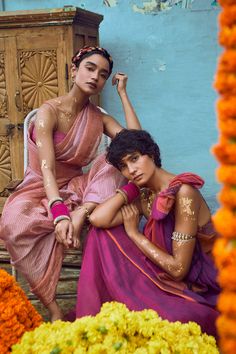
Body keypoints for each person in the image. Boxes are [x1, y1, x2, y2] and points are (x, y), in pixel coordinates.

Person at [0, 46, 141, 321]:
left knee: (113, 161)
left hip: (79, 189)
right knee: (13, 222)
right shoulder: (48, 112)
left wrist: (124, 94)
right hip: (39, 186)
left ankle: (83, 211)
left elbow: (137, 146)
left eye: (102, 74)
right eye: (89, 68)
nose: (95, 77)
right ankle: (54, 310)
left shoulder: (98, 118)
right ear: (74, 70)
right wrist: (58, 212)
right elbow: (47, 169)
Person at [76, 129, 220, 337]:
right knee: (102, 235)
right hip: (164, 274)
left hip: (202, 284)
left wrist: (135, 235)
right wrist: (131, 189)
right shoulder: (146, 197)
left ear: (151, 155)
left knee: (180, 319)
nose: (131, 170)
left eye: (134, 159)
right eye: (123, 166)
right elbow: (99, 219)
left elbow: (179, 269)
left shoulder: (184, 193)